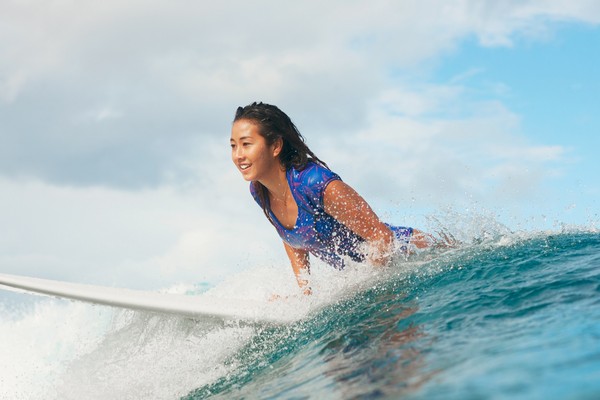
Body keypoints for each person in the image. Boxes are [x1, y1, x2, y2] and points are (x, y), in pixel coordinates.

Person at [230, 102, 431, 295]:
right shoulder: (260, 191)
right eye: (233, 146)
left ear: (275, 146)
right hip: (378, 275)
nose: (238, 155)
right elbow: (292, 239)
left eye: (246, 144)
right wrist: (304, 294)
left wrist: (369, 284)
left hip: (415, 257)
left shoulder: (314, 183)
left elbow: (382, 237)